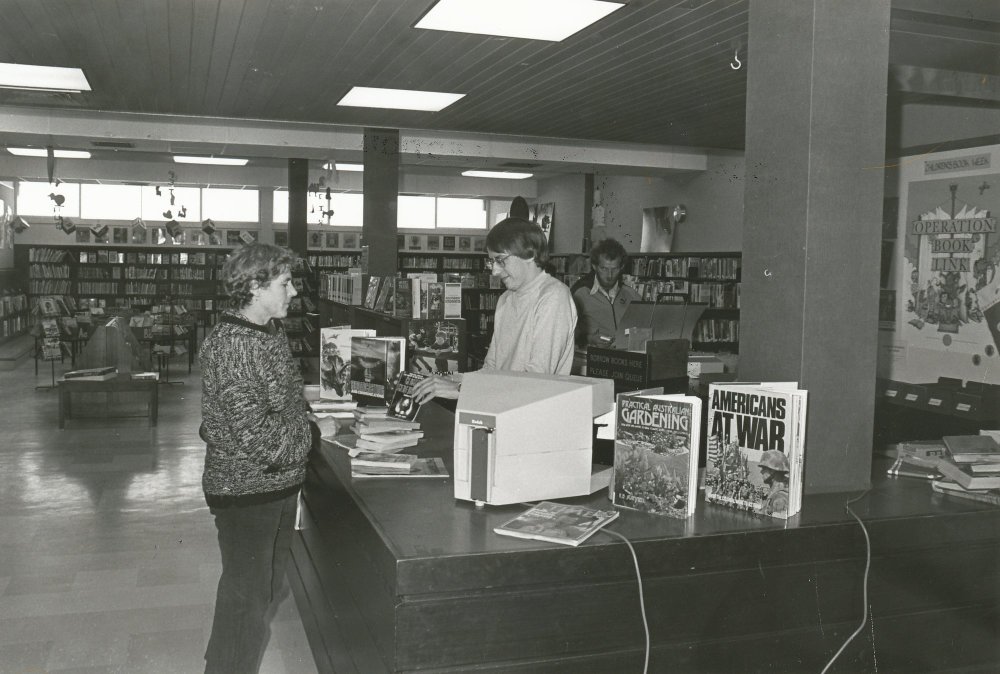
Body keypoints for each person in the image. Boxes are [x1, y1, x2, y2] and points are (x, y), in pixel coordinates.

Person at [199, 242, 314, 674]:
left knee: (255, 594)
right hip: (247, 489)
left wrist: (298, 424)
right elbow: (258, 436)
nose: (294, 292)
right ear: (254, 286)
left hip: (272, 484)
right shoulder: (234, 345)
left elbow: (277, 404)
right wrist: (308, 440)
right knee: (247, 599)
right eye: (285, 283)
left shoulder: (266, 331)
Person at [412, 217, 577, 403]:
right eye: (492, 262)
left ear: (529, 254)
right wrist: (448, 378)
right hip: (502, 408)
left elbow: (536, 380)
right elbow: (491, 370)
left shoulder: (553, 296)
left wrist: (460, 389)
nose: (495, 271)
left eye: (500, 260)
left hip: (533, 416)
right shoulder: (506, 299)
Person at [572, 237, 640, 348]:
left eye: (614, 269)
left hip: (625, 358)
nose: (609, 275)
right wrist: (590, 339)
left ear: (621, 267)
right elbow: (565, 331)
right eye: (604, 268)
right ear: (594, 266)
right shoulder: (580, 293)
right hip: (591, 358)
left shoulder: (632, 295)